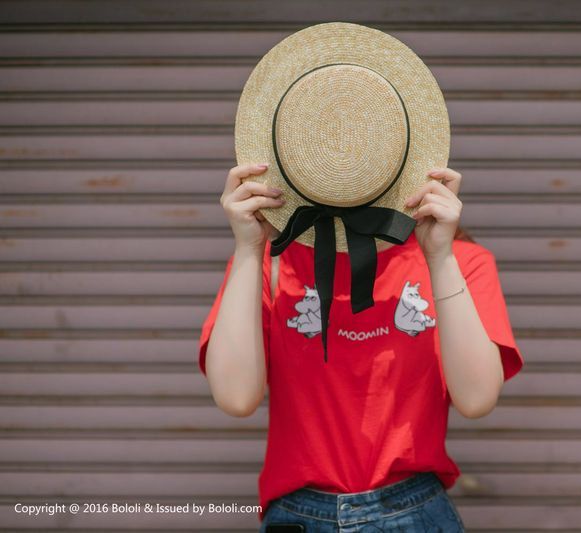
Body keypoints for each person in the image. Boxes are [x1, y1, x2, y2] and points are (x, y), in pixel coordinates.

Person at [198, 162, 524, 531]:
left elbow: (478, 398)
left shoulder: (459, 261)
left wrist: (440, 256)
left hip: (414, 511)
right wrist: (247, 248)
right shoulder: (268, 262)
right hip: (299, 515)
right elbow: (235, 397)